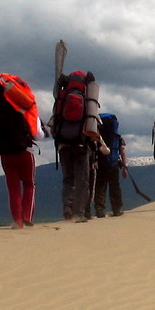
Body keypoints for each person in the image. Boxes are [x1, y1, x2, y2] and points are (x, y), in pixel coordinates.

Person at [0, 73, 43, 228]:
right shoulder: (22, 105)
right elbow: (38, 135)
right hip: (25, 150)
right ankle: (27, 216)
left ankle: (17, 221)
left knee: (13, 187)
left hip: (5, 153)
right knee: (29, 184)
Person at [51, 69, 104, 221]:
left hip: (63, 143)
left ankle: (67, 208)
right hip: (81, 143)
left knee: (68, 178)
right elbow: (91, 122)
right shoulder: (88, 100)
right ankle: (79, 213)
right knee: (83, 179)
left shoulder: (62, 97)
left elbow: (55, 117)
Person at [91, 112, 127, 218]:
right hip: (113, 163)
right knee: (114, 186)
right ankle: (117, 209)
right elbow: (123, 151)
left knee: (100, 186)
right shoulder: (117, 136)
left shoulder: (97, 135)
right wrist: (124, 166)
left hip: (100, 163)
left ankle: (99, 210)